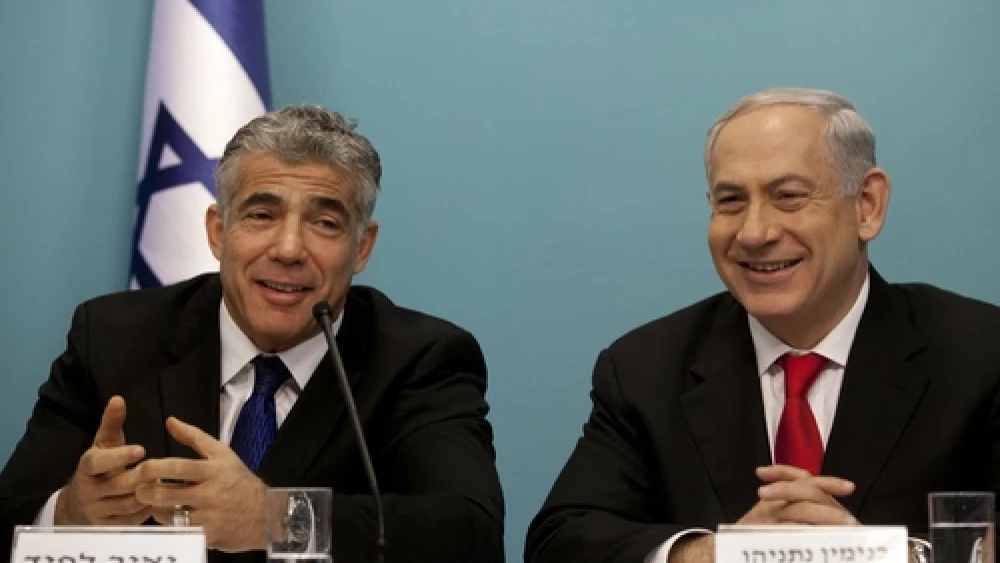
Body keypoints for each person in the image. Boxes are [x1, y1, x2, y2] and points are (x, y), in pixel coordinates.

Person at [0, 105, 504, 563]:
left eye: (325, 223)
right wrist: (69, 512)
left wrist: (276, 519)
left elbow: (470, 533)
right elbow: (11, 516)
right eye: (261, 215)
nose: (288, 248)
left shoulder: (419, 359)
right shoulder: (114, 337)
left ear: (362, 247)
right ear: (219, 232)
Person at [525, 87, 1000, 563]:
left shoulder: (981, 355)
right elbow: (561, 541)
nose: (754, 233)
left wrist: (872, 554)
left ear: (867, 205)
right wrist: (712, 554)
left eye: (789, 197)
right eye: (730, 201)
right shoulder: (645, 370)